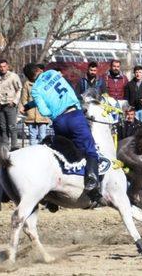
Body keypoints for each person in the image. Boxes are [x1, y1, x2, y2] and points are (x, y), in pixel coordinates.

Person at [21, 63, 102, 204]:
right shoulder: (53, 73)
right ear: (40, 70)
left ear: (31, 79)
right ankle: (92, 183)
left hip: (59, 122)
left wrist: (30, 106)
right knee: (89, 150)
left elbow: (45, 111)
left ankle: (53, 196)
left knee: (63, 155)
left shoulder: (35, 89)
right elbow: (59, 92)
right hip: (75, 116)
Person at [0, 60, 22, 150]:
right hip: (0, 106)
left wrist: (15, 101)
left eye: (4, 66)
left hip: (10, 105)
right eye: (0, 67)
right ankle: (5, 147)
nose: (2, 68)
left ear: (8, 67)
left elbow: (19, 89)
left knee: (12, 127)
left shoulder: (13, 76)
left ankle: (14, 146)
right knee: (2, 127)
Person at [20, 64, 50, 145]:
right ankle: (32, 152)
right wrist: (26, 109)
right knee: (32, 136)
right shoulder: (27, 84)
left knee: (42, 136)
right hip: (31, 114)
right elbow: (24, 98)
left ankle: (41, 153)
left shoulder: (45, 83)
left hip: (42, 114)